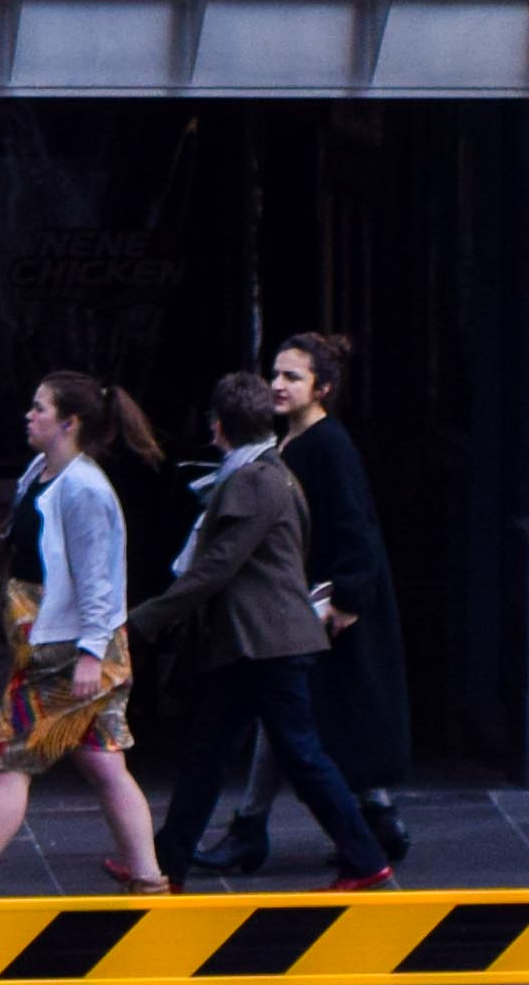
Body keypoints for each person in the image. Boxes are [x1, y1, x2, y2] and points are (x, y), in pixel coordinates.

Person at [141, 369, 393, 889]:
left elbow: (215, 567)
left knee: (301, 756)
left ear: (219, 427)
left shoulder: (254, 481)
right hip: (251, 643)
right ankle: (166, 864)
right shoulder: (264, 472)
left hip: (267, 645)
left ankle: (366, 859)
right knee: (206, 755)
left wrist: (143, 620)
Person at [0, 372, 169, 895]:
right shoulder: (42, 472)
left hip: (68, 654)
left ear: (69, 423)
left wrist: (92, 654)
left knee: (11, 760)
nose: (29, 415)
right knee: (103, 760)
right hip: (54, 643)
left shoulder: (85, 489)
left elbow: (101, 579)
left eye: (40, 408)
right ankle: (149, 880)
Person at [267, 332, 412, 862]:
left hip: (332, 604)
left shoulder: (330, 444)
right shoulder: (290, 442)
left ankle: (372, 822)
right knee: (305, 717)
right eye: (276, 374)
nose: (278, 385)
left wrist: (347, 597)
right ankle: (370, 819)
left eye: (292, 377)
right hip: (307, 596)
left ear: (322, 387)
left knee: (320, 717)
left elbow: (357, 524)